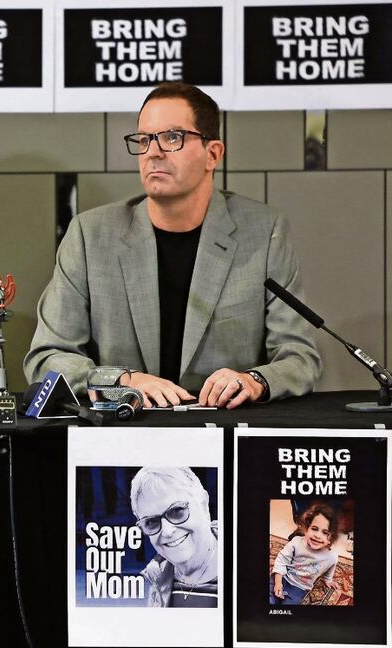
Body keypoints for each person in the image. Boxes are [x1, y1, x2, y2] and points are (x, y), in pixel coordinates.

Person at [24, 82, 321, 409]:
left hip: (222, 430)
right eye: (144, 139)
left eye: (172, 137)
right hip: (122, 436)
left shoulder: (264, 233)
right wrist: (123, 380)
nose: (153, 151)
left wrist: (253, 381)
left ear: (213, 154)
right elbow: (46, 358)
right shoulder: (89, 236)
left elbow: (299, 358)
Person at [130, 467, 218, 607]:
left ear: (203, 504)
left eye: (177, 511)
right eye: (151, 522)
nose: (167, 531)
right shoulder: (158, 577)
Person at [270, 502, 339, 605]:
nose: (318, 536)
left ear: (331, 538)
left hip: (300, 587)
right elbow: (281, 560)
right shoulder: (296, 542)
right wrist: (278, 583)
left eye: (325, 533)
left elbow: (331, 566)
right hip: (283, 576)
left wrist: (328, 580)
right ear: (306, 529)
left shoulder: (332, 556)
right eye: (314, 529)